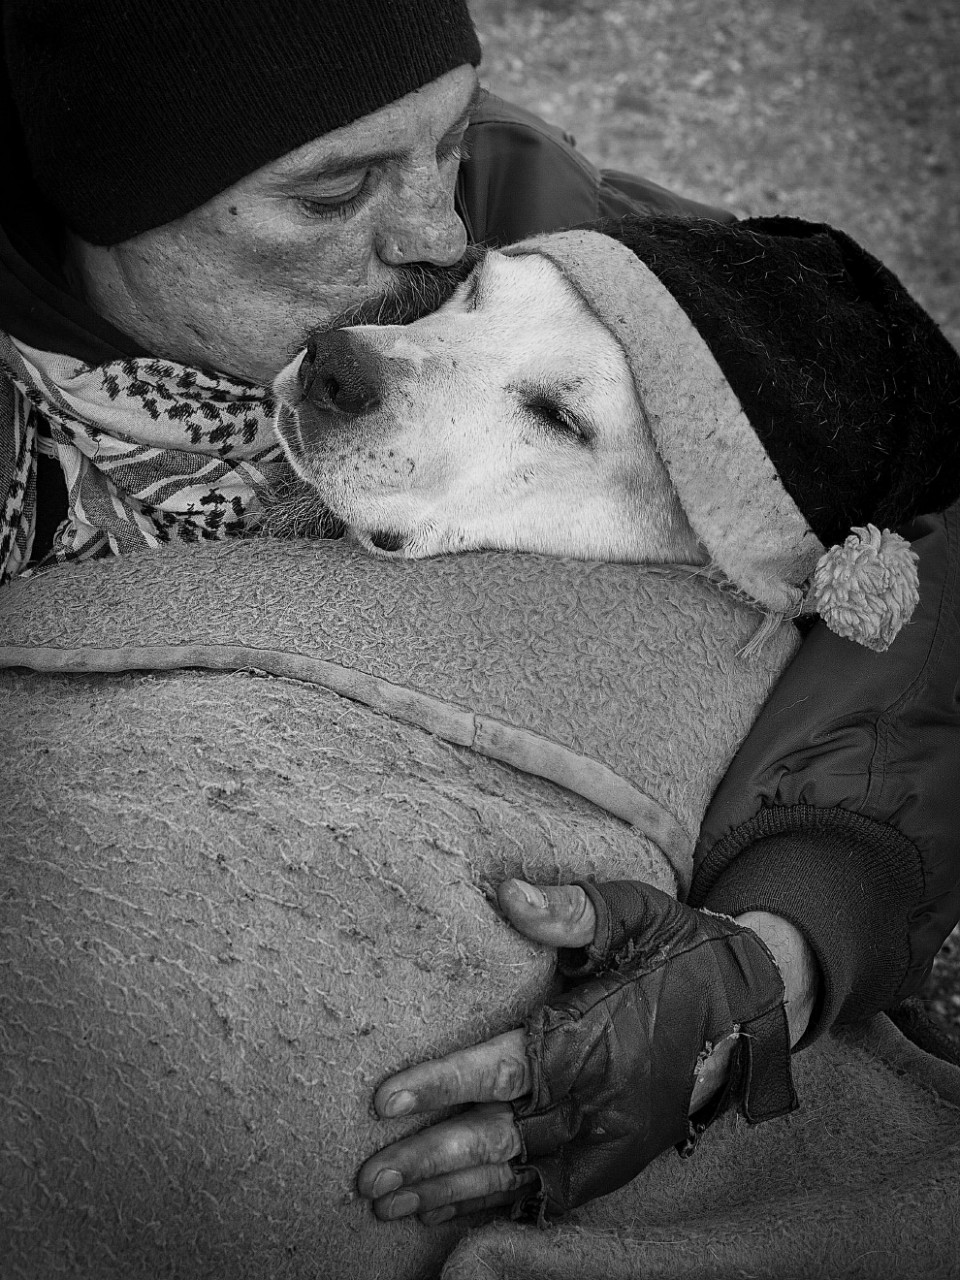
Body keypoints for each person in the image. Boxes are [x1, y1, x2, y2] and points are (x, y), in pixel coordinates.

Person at [1, 0, 957, 1232]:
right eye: (330, 193)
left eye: (443, 141)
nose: (439, 228)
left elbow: (886, 447)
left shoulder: (520, 196)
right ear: (112, 202)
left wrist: (795, 934)